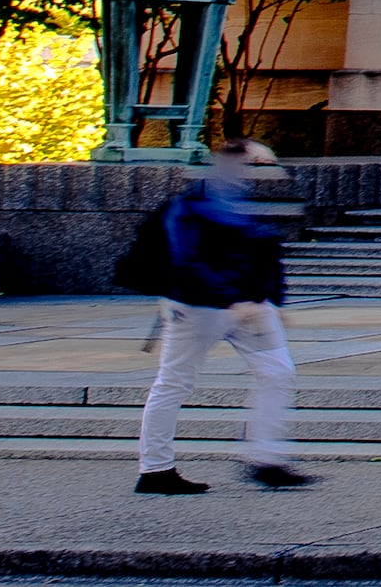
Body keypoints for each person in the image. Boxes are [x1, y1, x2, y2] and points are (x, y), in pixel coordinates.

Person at [133, 140, 313, 493]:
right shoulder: (197, 202)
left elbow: (262, 250)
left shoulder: (238, 199)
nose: (269, 170)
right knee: (174, 381)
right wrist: (234, 299)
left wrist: (272, 300)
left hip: (246, 304)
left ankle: (267, 460)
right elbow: (188, 259)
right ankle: (155, 470)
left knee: (277, 371)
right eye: (260, 162)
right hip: (198, 305)